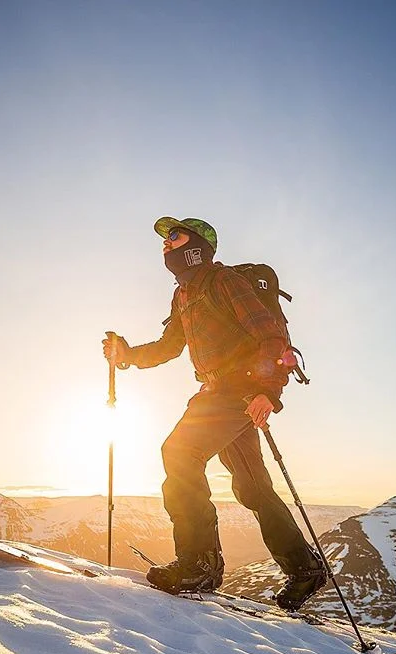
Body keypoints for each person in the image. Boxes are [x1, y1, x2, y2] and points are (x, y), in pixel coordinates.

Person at [102, 216, 326, 610]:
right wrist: (128, 355)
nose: (166, 244)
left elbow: (270, 334)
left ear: (200, 245)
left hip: (236, 390)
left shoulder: (224, 282)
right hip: (223, 392)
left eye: (175, 236)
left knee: (180, 452)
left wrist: (268, 392)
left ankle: (200, 563)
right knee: (253, 488)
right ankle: (305, 569)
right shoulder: (184, 295)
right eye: (164, 239)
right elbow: (169, 347)